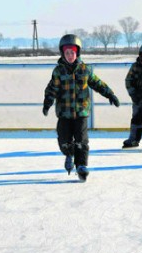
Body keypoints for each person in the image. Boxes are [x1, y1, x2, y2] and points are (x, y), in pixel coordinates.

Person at [42, 34, 120, 181]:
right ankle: (69, 154)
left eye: (72, 52)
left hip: (81, 113)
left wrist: (110, 95)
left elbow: (98, 84)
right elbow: (51, 89)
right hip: (64, 114)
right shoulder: (58, 71)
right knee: (64, 142)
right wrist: (47, 103)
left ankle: (81, 166)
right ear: (62, 54)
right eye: (67, 53)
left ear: (77, 53)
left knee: (82, 141)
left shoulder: (85, 70)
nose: (70, 56)